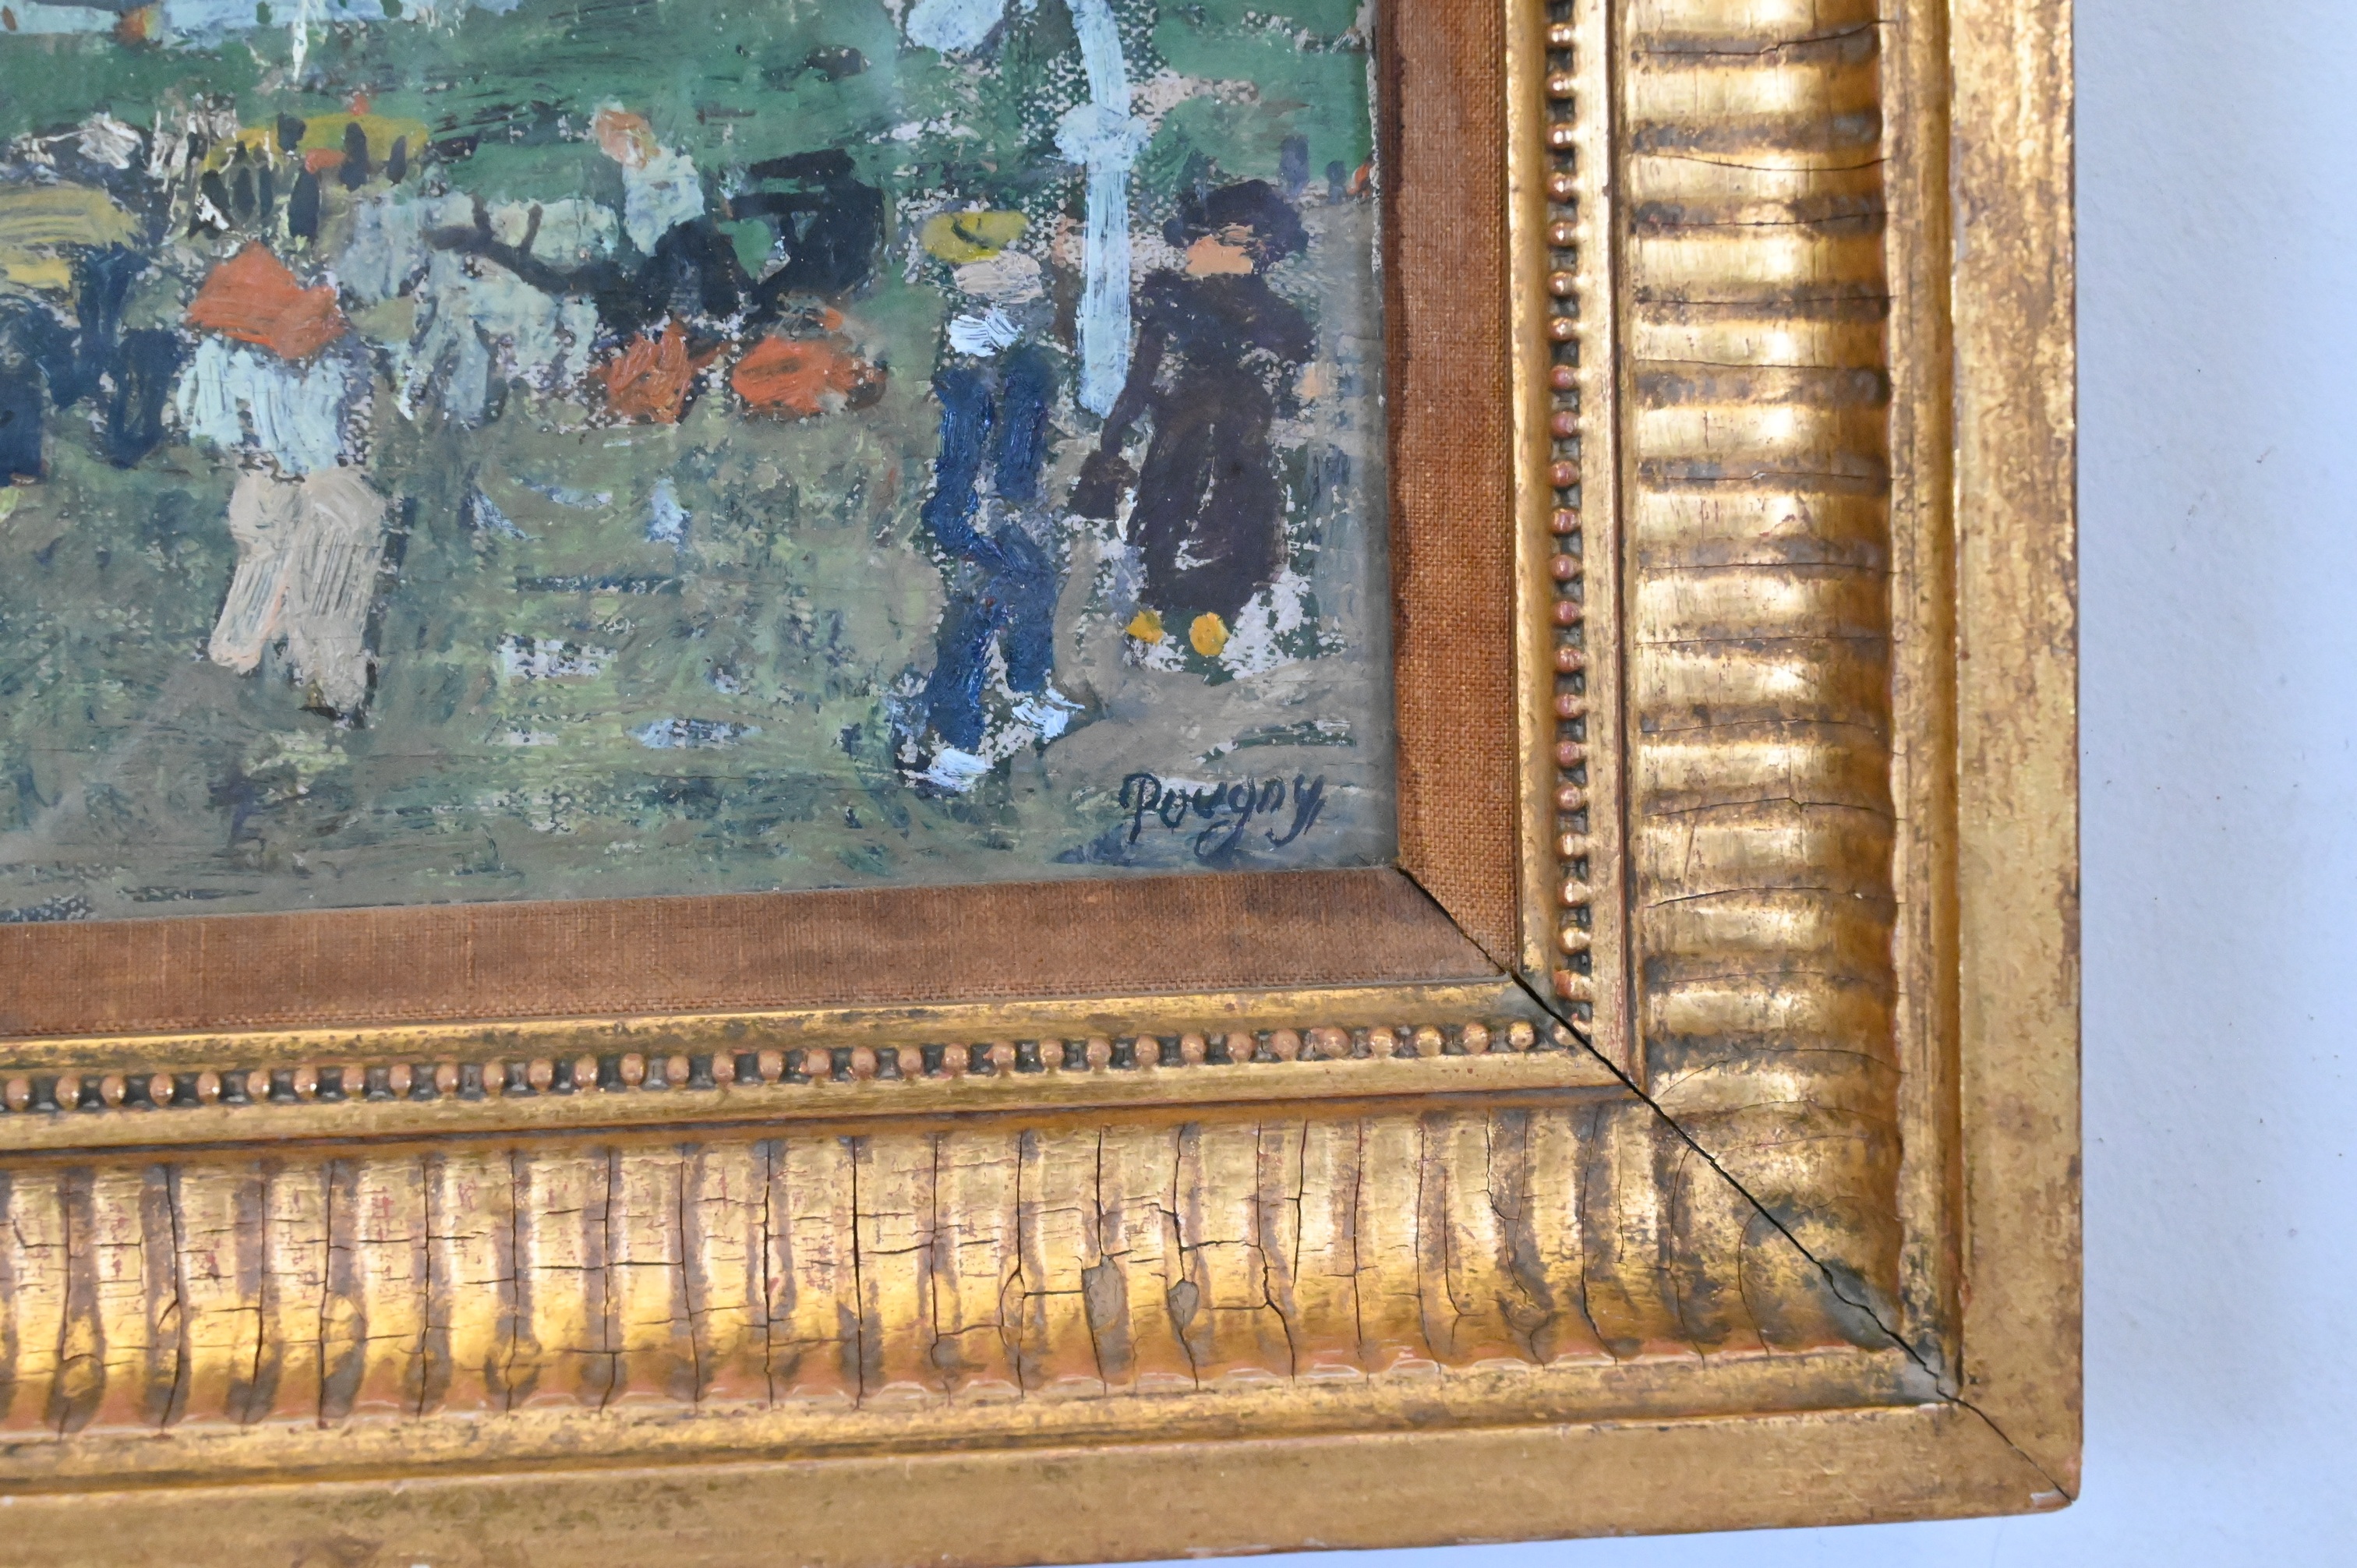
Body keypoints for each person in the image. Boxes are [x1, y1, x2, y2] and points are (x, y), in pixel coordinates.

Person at [1069, 179, 1314, 659]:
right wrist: (1111, 443)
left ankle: (1210, 624)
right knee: (1165, 525)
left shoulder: (1282, 320)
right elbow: (1140, 383)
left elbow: (1293, 400)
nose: (1192, 248)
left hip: (1240, 451)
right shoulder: (1172, 301)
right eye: (1196, 236)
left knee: (1235, 535)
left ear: (1256, 250)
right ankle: (1156, 615)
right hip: (1181, 442)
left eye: (1210, 238)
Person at [899, 215, 1080, 792]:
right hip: (982, 514)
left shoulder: (1014, 367)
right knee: (987, 606)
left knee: (1013, 597)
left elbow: (1012, 459)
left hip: (992, 512)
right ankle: (968, 732)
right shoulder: (988, 369)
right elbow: (991, 462)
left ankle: (1010, 705)